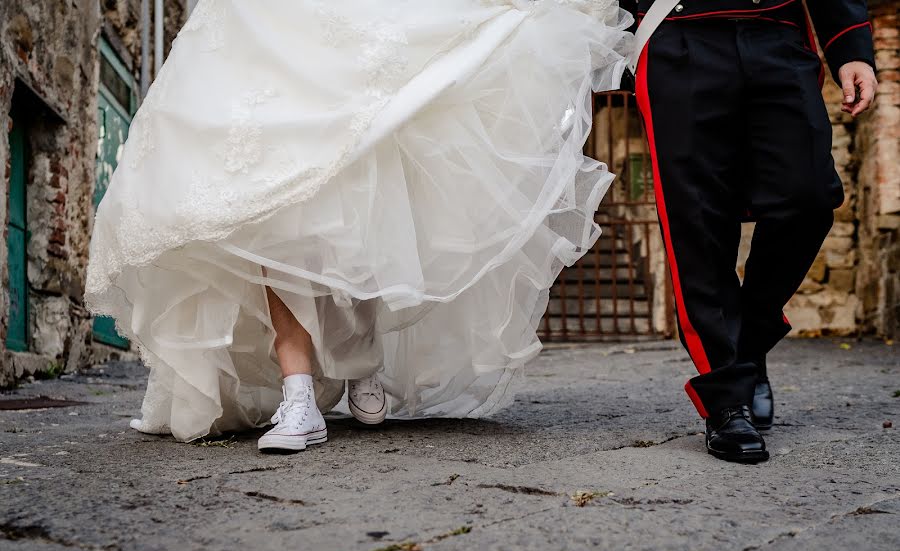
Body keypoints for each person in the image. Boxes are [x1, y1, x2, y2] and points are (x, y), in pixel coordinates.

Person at [85, 0, 634, 451]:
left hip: (359, 22)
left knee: (360, 172)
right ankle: (296, 389)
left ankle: (360, 355)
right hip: (263, 25)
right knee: (261, 197)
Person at [624, 0, 877, 463]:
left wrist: (851, 49)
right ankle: (726, 396)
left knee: (810, 197)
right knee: (695, 219)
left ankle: (749, 341)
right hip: (676, 31)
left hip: (776, 31)